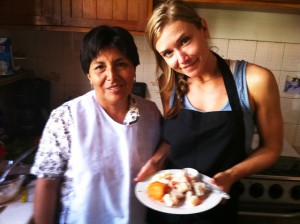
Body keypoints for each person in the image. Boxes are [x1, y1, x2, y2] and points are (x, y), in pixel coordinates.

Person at [134, 0, 283, 223]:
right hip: (168, 207)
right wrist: (156, 161)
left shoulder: (255, 80)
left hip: (219, 209)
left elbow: (272, 148)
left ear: (203, 28)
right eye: (168, 53)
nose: (182, 59)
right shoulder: (169, 83)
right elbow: (174, 140)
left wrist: (232, 175)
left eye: (185, 40)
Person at [30, 25, 162, 224]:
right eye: (100, 66)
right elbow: (47, 184)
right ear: (89, 75)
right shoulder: (66, 117)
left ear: (134, 69)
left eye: (121, 64)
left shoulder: (151, 113)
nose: (112, 76)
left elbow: (163, 159)